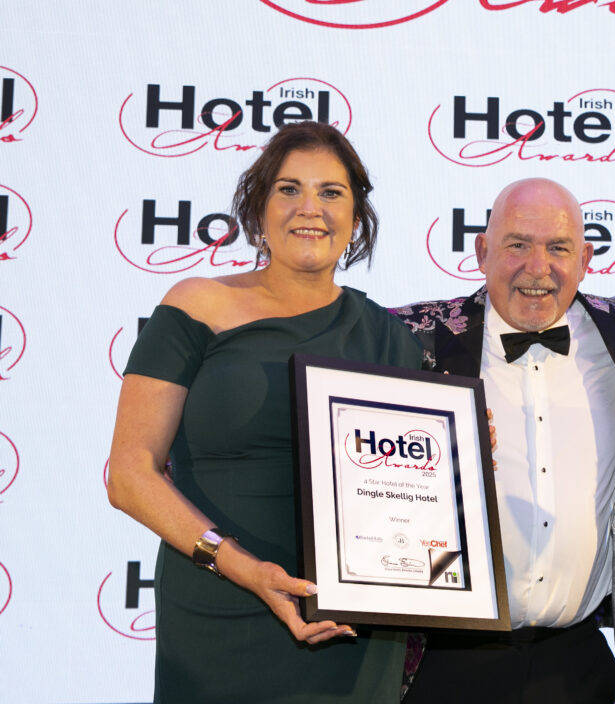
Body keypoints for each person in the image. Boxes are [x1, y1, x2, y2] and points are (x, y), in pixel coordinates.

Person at [106, 121, 423, 703]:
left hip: (347, 629)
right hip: (217, 608)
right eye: (289, 189)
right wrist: (245, 569)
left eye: (332, 192)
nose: (311, 208)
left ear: (356, 218)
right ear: (257, 209)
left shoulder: (390, 338)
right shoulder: (196, 306)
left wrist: (461, 460)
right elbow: (128, 476)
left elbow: (405, 491)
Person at [391, 178, 615, 704]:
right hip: (446, 663)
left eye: (558, 248)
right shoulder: (413, 337)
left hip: (577, 662)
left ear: (585, 259)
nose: (538, 268)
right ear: (482, 252)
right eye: (517, 245)